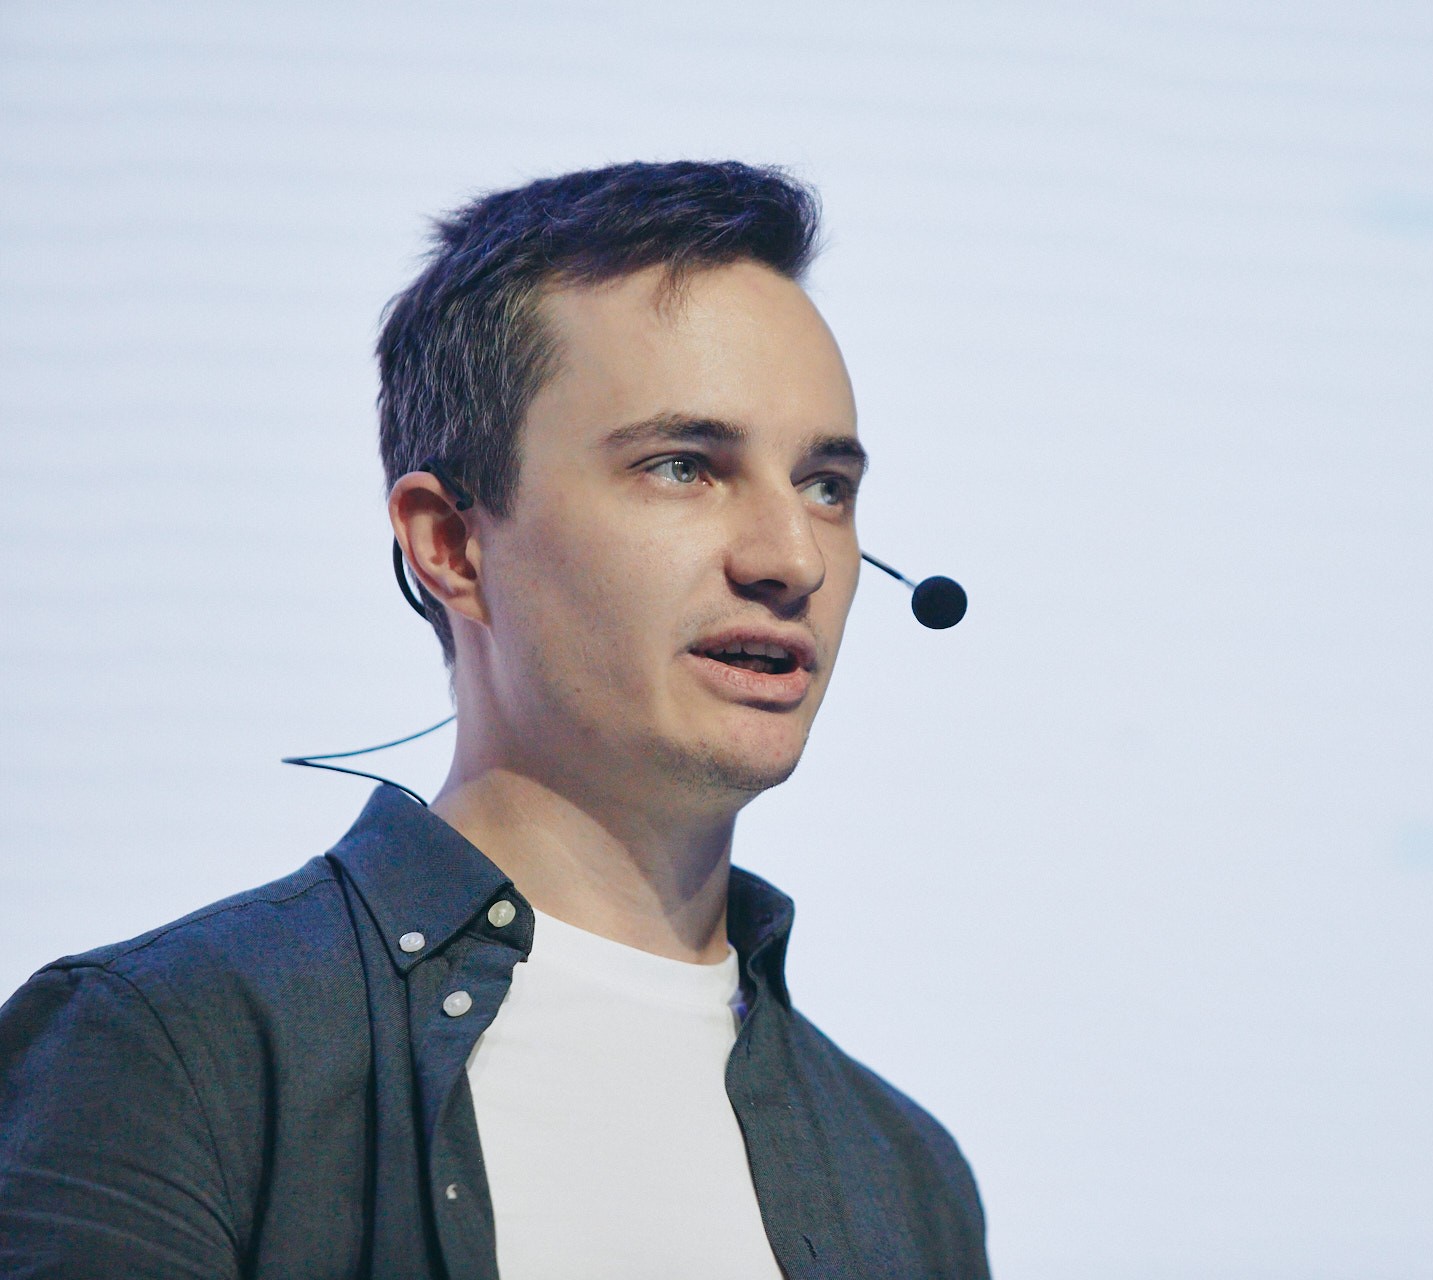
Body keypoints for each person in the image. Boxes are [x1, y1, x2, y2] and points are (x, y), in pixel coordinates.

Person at [0, 161, 989, 1279]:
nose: (793, 558)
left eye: (826, 486)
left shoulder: (910, 1180)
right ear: (451, 545)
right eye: (683, 466)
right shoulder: (171, 1049)